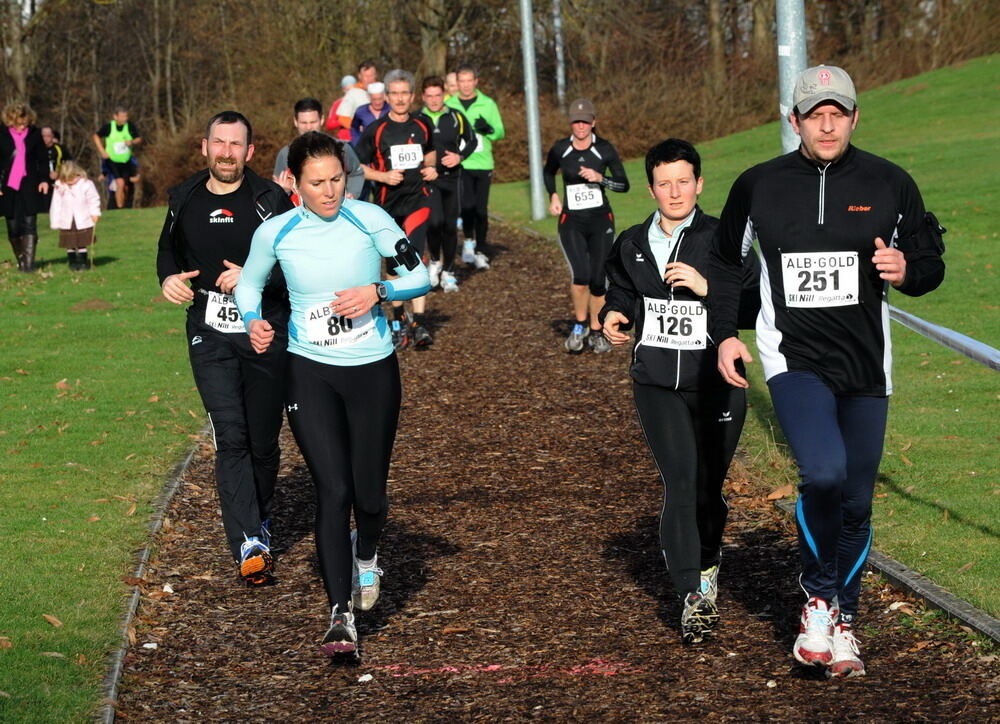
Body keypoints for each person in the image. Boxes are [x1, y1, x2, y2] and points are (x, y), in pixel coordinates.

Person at [709, 65, 946, 677]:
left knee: (858, 501)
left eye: (837, 112)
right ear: (795, 121)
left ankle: (843, 619)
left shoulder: (891, 183)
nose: (827, 123)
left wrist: (905, 269)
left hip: (867, 365)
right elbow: (727, 265)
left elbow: (928, 262)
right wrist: (725, 337)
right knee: (823, 471)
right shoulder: (758, 185)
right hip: (794, 359)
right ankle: (817, 597)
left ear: (855, 117)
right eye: (815, 114)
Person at [235, 131, 430, 656]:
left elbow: (421, 274)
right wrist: (253, 320)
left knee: (369, 496)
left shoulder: (371, 220)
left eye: (337, 180)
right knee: (333, 491)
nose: (329, 192)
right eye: (316, 183)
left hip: (372, 370)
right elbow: (248, 284)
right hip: (309, 371)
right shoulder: (276, 232)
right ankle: (340, 615)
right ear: (292, 184)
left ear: (349, 175)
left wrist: (379, 290)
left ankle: (366, 556)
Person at [601, 139, 757, 644]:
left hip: (717, 382)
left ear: (699, 184)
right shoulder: (630, 242)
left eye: (683, 181)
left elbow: (758, 303)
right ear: (650, 187)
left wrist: (710, 287)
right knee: (681, 480)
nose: (674, 192)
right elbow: (620, 286)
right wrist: (613, 313)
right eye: (664, 183)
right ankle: (692, 593)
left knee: (710, 486)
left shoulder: (723, 240)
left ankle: (707, 565)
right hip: (656, 383)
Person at [156, 111, 294, 586]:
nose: (227, 152)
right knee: (230, 433)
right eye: (220, 143)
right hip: (208, 331)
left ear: (250, 152)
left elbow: (295, 263)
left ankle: (260, 516)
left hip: (265, 330)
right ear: (205, 146)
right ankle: (248, 540)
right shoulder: (185, 197)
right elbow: (166, 250)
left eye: (237, 145)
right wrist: (168, 278)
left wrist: (256, 275)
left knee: (262, 439)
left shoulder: (269, 200)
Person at [355, 68, 438, 349]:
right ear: (386, 96)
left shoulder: (424, 123)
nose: (400, 99)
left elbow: (431, 152)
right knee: (393, 264)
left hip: (418, 199)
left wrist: (432, 167)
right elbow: (357, 166)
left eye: (405, 94)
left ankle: (419, 322)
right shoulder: (375, 131)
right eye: (395, 94)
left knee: (413, 255)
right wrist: (383, 177)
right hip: (387, 205)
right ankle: (398, 319)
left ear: (412, 96)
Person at [545, 98, 629, 353]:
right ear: (570, 123)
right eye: (575, 121)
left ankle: (596, 329)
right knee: (580, 276)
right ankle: (580, 326)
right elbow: (548, 172)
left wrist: (600, 178)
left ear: (594, 122)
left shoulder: (603, 149)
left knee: (598, 280)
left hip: (600, 220)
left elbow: (623, 184)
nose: (580, 126)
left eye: (585, 121)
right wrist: (554, 196)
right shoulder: (561, 149)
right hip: (571, 220)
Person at [418, 75, 477, 293]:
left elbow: (472, 140)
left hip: (451, 178)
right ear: (423, 97)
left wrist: (459, 157)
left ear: (444, 95)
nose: (434, 100)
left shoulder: (455, 116)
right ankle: (434, 261)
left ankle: (449, 272)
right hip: (428, 179)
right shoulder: (417, 118)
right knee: (434, 223)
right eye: (429, 96)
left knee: (450, 227)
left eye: (438, 95)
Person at [445, 63, 504, 269]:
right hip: (461, 163)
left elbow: (500, 132)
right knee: (466, 206)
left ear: (476, 82)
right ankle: (469, 242)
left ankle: (480, 247)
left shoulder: (488, 104)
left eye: (470, 80)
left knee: (481, 209)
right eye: (462, 81)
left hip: (483, 161)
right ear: (457, 83)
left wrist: (487, 129)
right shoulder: (450, 104)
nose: (466, 85)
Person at [273, 97, 364, 202]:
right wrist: (283, 191)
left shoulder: (341, 148)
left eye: (313, 122)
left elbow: (356, 173)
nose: (308, 127)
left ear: (321, 120)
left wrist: (351, 194)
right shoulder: (285, 153)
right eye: (304, 123)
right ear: (295, 121)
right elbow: (276, 190)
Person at [1, 102, 49, 272]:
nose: (22, 126)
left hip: (29, 182)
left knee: (30, 222)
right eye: (18, 123)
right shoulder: (2, 134)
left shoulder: (35, 134)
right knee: (13, 225)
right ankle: (21, 259)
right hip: (7, 184)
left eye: (25, 122)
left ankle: (28, 265)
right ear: (10, 120)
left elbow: (43, 159)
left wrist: (44, 180)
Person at [49, 160, 101, 270]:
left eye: (71, 179)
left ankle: (83, 261)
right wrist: (55, 220)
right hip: (66, 219)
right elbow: (56, 203)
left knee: (82, 241)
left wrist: (95, 213)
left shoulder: (86, 184)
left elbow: (93, 199)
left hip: (83, 218)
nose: (69, 182)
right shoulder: (59, 186)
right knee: (70, 242)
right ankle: (72, 262)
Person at [92, 106, 141, 210]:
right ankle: (119, 208)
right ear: (115, 117)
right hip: (112, 160)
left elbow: (138, 138)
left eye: (126, 116)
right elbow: (96, 136)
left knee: (126, 185)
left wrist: (131, 142)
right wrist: (102, 151)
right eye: (122, 116)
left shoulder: (130, 126)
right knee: (120, 183)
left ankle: (124, 206)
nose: (125, 118)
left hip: (126, 160)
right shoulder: (109, 127)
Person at [335, 59, 378, 134]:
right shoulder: (352, 93)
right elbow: (343, 118)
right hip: (362, 138)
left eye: (371, 75)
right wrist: (358, 127)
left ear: (376, 75)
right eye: (366, 76)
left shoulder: (383, 92)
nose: (369, 79)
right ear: (360, 76)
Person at [324, 74, 357, 142]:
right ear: (343, 90)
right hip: (344, 142)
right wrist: (342, 121)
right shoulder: (338, 103)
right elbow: (329, 124)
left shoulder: (363, 101)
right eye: (348, 90)